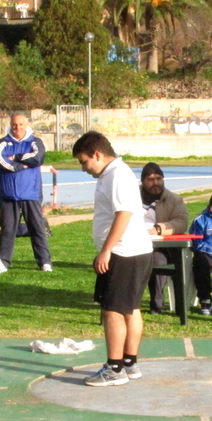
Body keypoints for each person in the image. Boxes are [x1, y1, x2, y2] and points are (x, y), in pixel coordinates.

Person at [72, 132, 153, 387]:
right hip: (136, 251)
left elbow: (124, 213)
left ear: (97, 154)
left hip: (123, 252)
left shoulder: (117, 175)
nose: (83, 168)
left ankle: (115, 368)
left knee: (113, 310)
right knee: (131, 308)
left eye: (84, 162)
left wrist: (106, 250)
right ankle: (129, 363)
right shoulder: (114, 173)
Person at [0, 112, 52, 274]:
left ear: (26, 125)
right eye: (14, 125)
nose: (17, 128)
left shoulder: (35, 142)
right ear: (10, 125)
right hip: (8, 195)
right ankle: (2, 262)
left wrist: (15, 157)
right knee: (7, 229)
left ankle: (44, 262)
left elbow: (37, 159)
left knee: (37, 228)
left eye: (20, 125)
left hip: (31, 193)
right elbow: (0, 160)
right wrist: (20, 165)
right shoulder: (2, 143)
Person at [140, 162, 188, 314]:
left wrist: (159, 229)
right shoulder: (131, 197)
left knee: (158, 259)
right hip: (135, 243)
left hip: (161, 246)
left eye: (158, 178)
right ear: (143, 181)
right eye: (150, 179)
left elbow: (181, 222)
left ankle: (157, 304)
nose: (155, 183)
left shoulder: (175, 200)